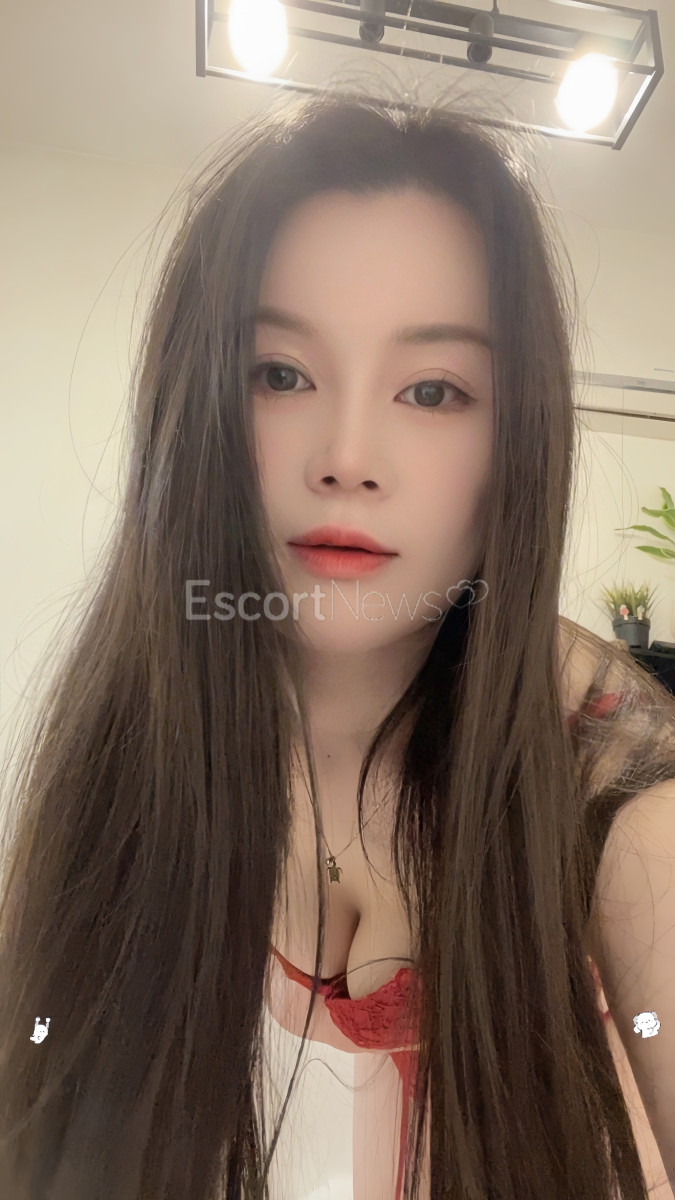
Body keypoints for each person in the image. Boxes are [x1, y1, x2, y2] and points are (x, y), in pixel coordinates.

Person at [1, 78, 675, 1200]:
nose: (348, 457)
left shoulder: (620, 805)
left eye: (433, 390)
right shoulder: (113, 771)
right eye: (281, 374)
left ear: (517, 444)